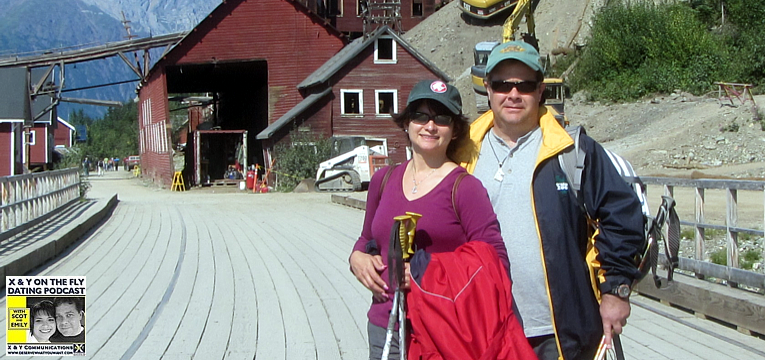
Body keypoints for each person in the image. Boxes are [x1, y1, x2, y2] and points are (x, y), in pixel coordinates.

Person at [457, 41, 644, 360]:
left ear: (540, 90)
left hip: (557, 331)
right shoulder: (461, 152)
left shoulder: (574, 151)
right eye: (502, 84)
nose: (513, 94)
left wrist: (616, 291)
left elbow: (622, 218)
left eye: (525, 85)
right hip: (481, 325)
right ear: (487, 89)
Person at [349, 80, 516, 360]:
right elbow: (368, 240)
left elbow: (496, 264)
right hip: (384, 326)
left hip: (440, 332)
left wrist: (426, 275)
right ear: (407, 123)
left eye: (441, 118)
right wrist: (356, 258)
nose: (430, 126)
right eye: (420, 116)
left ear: (455, 131)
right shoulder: (383, 180)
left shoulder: (465, 189)